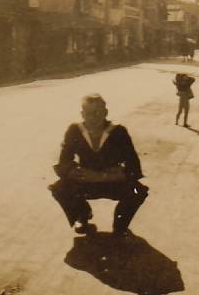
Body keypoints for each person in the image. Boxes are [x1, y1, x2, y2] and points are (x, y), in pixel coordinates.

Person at [48, 94, 148, 236]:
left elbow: (134, 166)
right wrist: (73, 171)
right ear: (82, 114)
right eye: (88, 113)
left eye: (98, 112)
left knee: (138, 192)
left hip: (112, 182)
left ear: (106, 112)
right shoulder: (75, 131)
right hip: (86, 182)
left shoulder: (118, 132)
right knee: (59, 189)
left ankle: (120, 226)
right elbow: (64, 162)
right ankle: (82, 215)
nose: (93, 117)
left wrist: (105, 176)